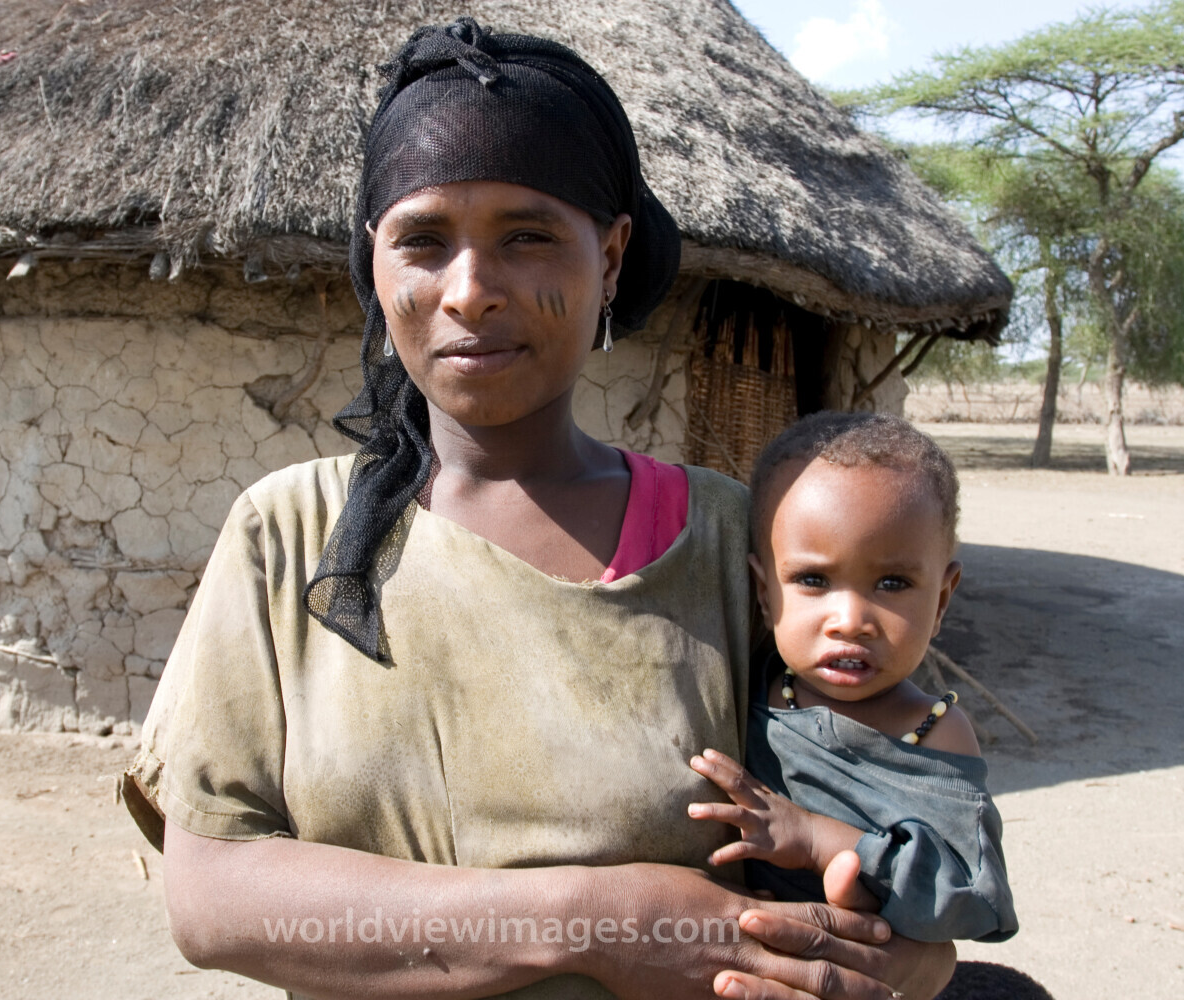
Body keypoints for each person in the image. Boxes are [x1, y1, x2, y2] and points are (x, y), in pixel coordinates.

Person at [123, 20, 956, 1000]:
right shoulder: (290, 535)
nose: (471, 292)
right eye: (423, 241)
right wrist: (595, 923)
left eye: (528, 237)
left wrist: (880, 955)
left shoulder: (736, 546)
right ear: (375, 262)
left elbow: (913, 903)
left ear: (610, 257)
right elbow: (212, 898)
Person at [688, 412, 1019, 943]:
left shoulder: (936, 733)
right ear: (765, 593)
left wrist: (818, 840)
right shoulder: (746, 693)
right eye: (813, 579)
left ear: (941, 600)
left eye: (892, 583)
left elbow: (974, 899)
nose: (849, 621)